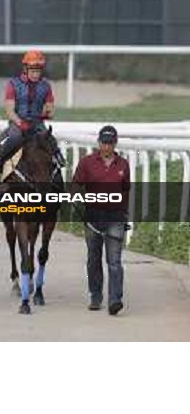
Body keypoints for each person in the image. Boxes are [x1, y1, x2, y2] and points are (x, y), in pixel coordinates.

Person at [72, 125, 130, 316]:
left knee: (114, 261)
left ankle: (115, 300)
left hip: (116, 218)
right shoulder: (87, 163)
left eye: (110, 143)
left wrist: (125, 215)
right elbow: (75, 186)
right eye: (104, 143)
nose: (107, 146)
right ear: (99, 143)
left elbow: (126, 190)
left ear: (115, 143)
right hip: (93, 218)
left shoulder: (123, 164)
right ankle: (96, 296)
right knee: (93, 259)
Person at [0, 49, 64, 176]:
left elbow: (50, 108)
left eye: (38, 71)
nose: (36, 74)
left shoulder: (46, 86)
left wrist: (47, 113)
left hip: (36, 123)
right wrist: (20, 122)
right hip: (17, 122)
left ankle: (58, 159)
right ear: (25, 69)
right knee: (15, 138)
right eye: (33, 71)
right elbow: (9, 111)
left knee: (49, 140)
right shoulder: (13, 84)